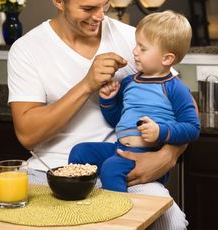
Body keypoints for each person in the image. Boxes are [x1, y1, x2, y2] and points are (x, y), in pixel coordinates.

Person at [8, 0, 189, 229]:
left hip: (124, 164)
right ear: (58, 1)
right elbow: (27, 134)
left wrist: (167, 156)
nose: (100, 16)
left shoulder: (134, 39)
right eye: (88, 8)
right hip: (49, 171)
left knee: (172, 223)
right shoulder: (27, 49)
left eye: (104, 4)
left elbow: (183, 106)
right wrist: (86, 84)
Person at [69, 10, 200, 192]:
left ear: (167, 58)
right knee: (80, 152)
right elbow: (117, 120)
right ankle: (79, 198)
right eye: (136, 45)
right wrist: (107, 101)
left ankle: (118, 213)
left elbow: (192, 128)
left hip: (145, 155)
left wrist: (160, 132)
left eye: (142, 48)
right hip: (120, 148)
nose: (134, 52)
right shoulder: (130, 82)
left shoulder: (175, 88)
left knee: (111, 168)